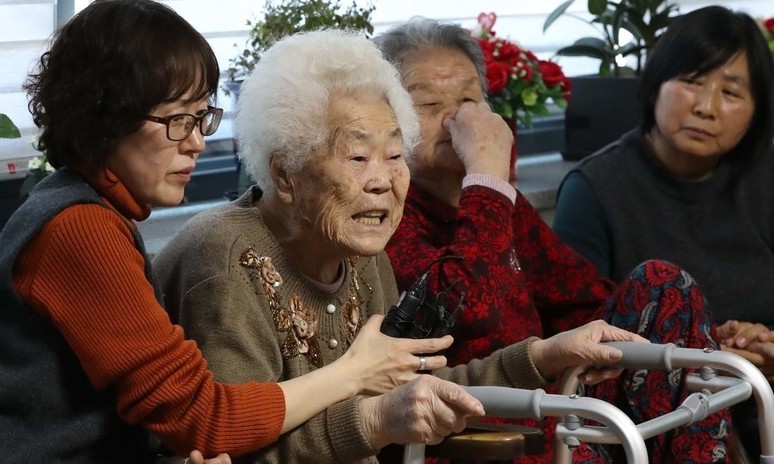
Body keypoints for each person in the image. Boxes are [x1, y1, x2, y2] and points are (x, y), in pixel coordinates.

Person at [0, 2, 485, 462]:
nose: (195, 143)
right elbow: (203, 419)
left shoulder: (87, 215)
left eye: (202, 118)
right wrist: (357, 372)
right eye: (176, 121)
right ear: (106, 118)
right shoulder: (79, 229)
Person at [151, 29, 645, 464]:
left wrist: (543, 356)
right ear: (285, 173)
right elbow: (230, 449)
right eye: (358, 156)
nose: (383, 181)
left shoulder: (362, 256)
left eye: (394, 155)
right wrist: (373, 423)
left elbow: (414, 388)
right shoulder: (226, 259)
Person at [375, 17, 733, 464]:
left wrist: (691, 340)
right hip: (483, 426)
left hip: (558, 402)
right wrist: (486, 173)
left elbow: (582, 299)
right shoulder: (385, 212)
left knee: (662, 284)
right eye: (428, 103)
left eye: (469, 99)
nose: (456, 119)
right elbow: (470, 313)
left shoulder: (504, 203)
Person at [553, 5, 774, 459]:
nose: (706, 106)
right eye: (691, 81)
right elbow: (573, 338)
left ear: (757, 111)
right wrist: (707, 358)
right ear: (655, 84)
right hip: (650, 425)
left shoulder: (767, 177)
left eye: (730, 91)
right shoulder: (595, 189)